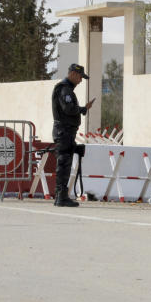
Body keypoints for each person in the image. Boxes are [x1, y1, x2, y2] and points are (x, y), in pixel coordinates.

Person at [52, 63, 95, 207]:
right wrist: (81, 109)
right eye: (80, 77)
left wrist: (82, 109)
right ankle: (61, 197)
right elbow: (69, 109)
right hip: (64, 131)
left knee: (65, 163)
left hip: (66, 132)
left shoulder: (67, 89)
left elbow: (70, 110)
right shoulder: (64, 89)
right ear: (73, 74)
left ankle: (61, 196)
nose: (81, 81)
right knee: (64, 164)